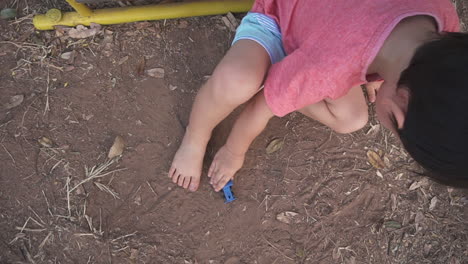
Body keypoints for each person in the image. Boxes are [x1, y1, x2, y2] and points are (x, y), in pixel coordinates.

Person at [168, 0, 467, 192]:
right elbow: (261, 108)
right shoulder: (331, 67)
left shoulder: (442, 15)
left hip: (332, 35)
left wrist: (391, 73)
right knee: (238, 82)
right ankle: (195, 137)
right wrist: (234, 152)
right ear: (399, 109)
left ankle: (291, 80)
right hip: (279, 19)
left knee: (352, 119)